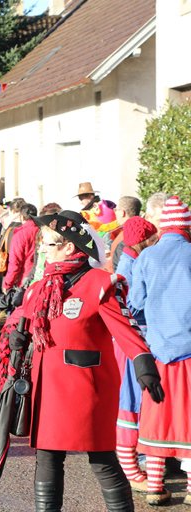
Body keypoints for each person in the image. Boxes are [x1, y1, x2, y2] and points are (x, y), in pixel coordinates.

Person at [10, 210, 164, 511]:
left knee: (103, 459)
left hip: (87, 387)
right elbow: (27, 327)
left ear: (69, 246)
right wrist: (18, 339)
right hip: (48, 388)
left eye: (49, 243)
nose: (43, 249)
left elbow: (126, 327)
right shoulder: (38, 289)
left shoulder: (102, 283)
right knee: (47, 457)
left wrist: (143, 362)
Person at [128, 196, 191, 506]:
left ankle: (155, 486)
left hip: (158, 350)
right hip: (190, 349)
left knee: (157, 416)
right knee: (189, 417)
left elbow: (135, 304)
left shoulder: (147, 257)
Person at [113, 216, 157, 493]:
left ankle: (133, 463)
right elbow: (133, 306)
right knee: (132, 401)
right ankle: (132, 465)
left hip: (126, 340)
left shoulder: (126, 260)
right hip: (133, 339)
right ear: (143, 241)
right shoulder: (133, 265)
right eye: (152, 238)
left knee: (129, 400)